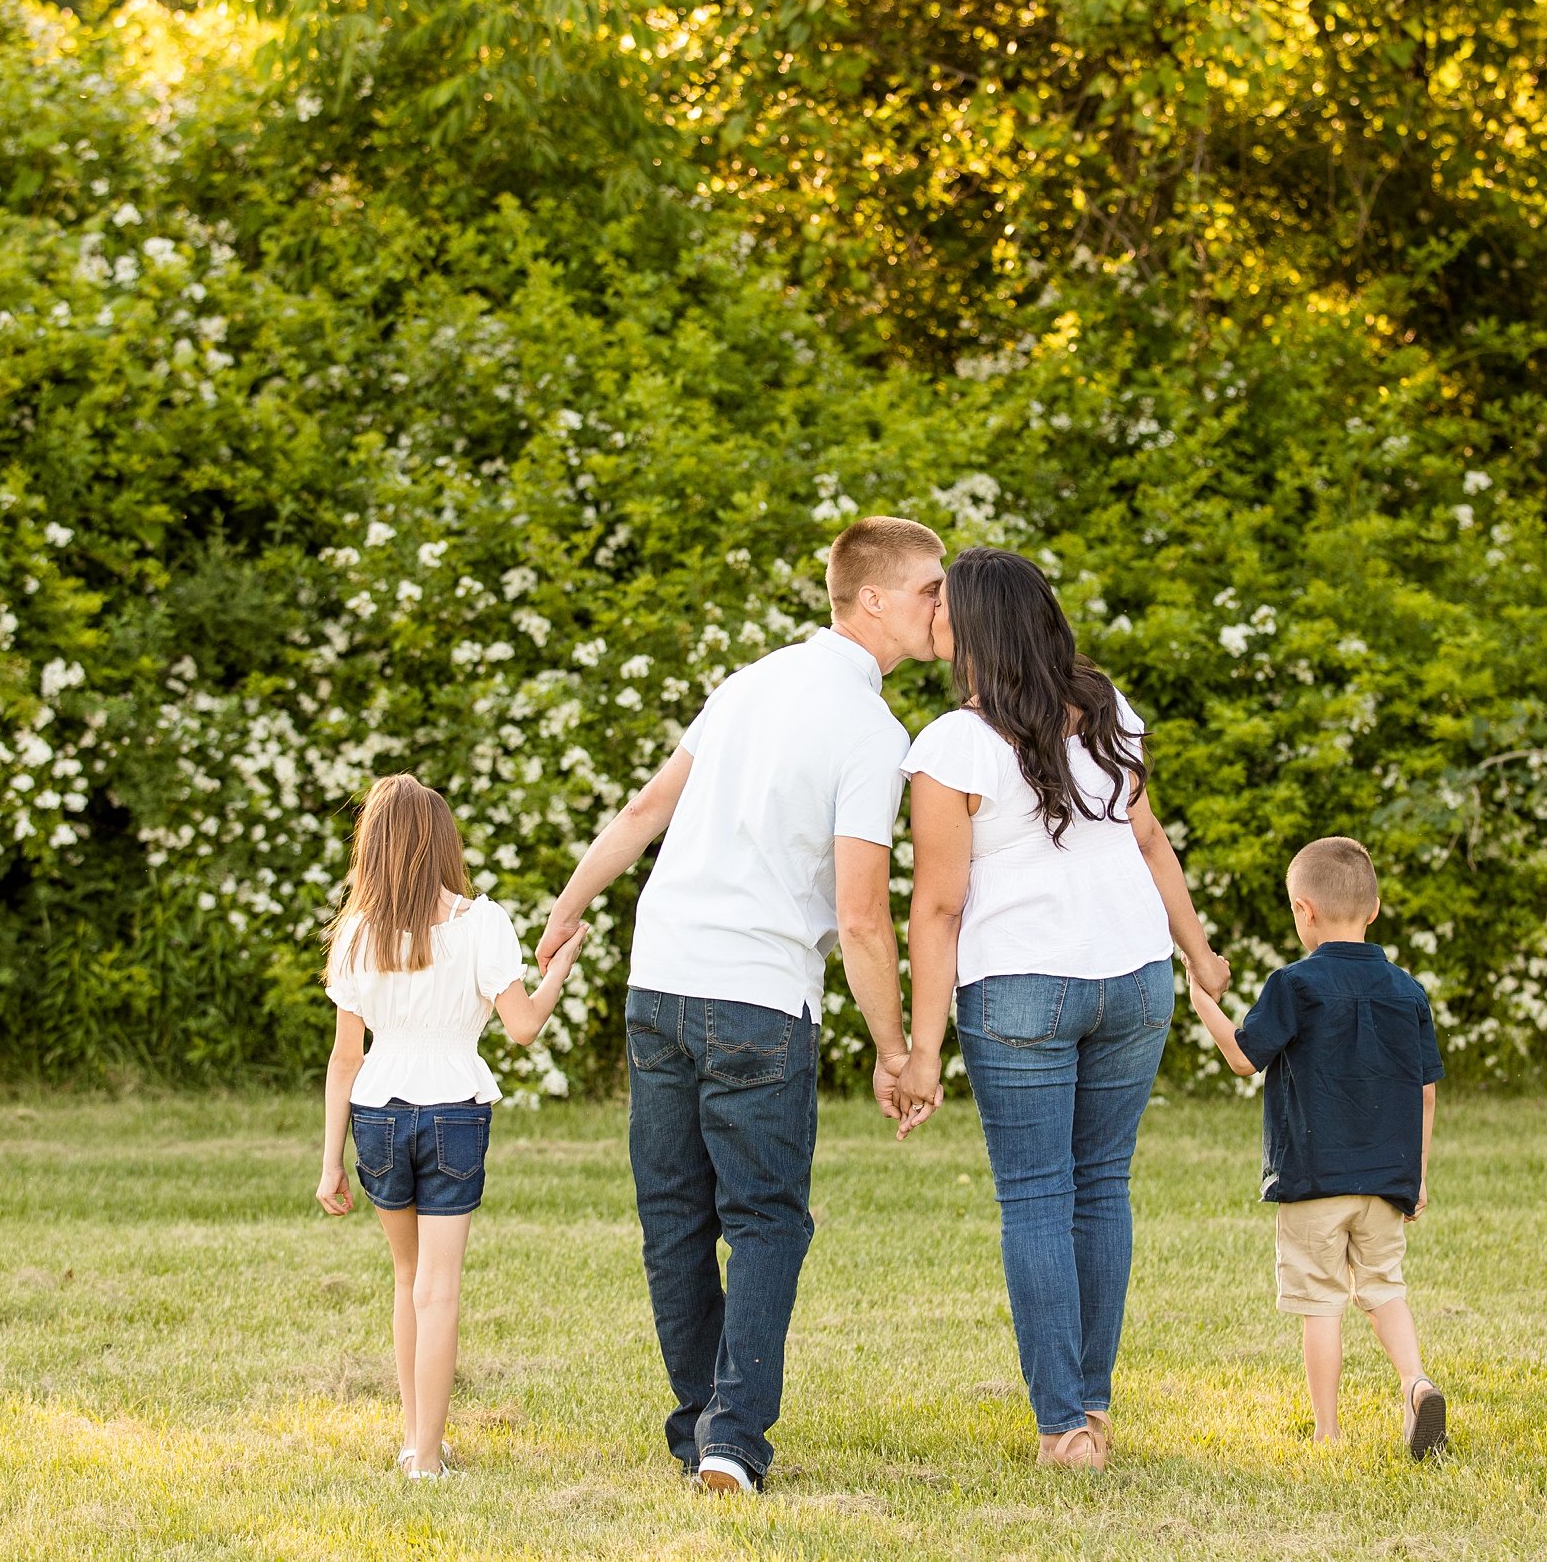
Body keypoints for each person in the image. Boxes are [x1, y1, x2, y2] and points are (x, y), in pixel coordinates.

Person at [534, 516, 946, 1495]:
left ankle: (700, 1432)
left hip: (659, 980)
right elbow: (859, 918)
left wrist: (568, 904)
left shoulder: (749, 681)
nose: (946, 607)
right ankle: (730, 1440)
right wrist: (894, 1048)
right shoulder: (870, 730)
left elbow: (645, 811)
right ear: (875, 599)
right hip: (756, 1001)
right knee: (765, 1220)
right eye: (933, 589)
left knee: (673, 1215)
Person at [897, 544, 1233, 1470]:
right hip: (1133, 978)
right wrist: (1199, 955)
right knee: (1100, 1190)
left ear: (968, 628)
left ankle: (1062, 1432)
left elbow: (937, 906)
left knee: (1039, 1200)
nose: (931, 618)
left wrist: (922, 1048)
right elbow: (1152, 840)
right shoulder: (1108, 707)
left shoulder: (954, 743)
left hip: (1022, 988)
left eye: (942, 606)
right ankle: (1090, 1405)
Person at [314, 773, 591, 1480]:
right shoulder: (482, 924)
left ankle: (416, 1443)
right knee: (439, 1286)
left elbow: (347, 1060)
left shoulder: (353, 933)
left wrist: (329, 1164)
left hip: (375, 1114)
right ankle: (427, 1459)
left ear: (371, 847)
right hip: (454, 1111)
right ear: (442, 842)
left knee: (407, 1278)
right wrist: (557, 969)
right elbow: (524, 1028)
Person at [1184, 835, 1450, 1459]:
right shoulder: (1407, 991)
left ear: (1303, 911)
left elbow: (1246, 1058)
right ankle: (1415, 1382)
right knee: (1385, 1285)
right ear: (1375, 908)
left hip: (1312, 1180)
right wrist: (1416, 1175)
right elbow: (1427, 1093)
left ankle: (1328, 1433)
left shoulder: (1294, 985)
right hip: (1388, 1178)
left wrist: (1202, 1000)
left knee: (1320, 1302)